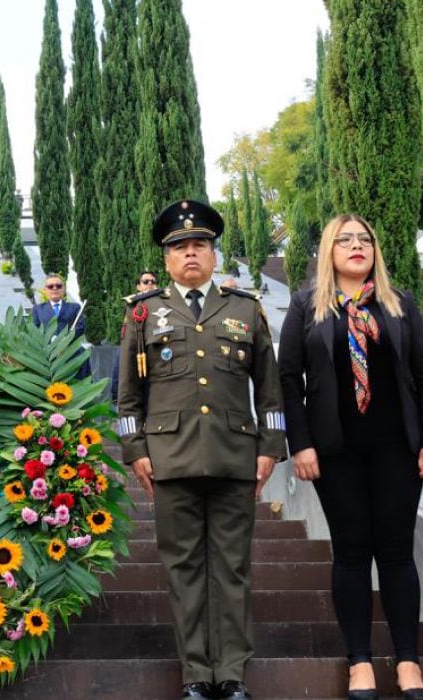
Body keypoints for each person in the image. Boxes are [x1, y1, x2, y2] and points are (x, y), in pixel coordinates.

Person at [117, 200, 286, 700]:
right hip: (170, 459)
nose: (191, 254)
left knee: (231, 568)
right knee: (184, 570)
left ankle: (230, 673)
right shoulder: (143, 313)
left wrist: (270, 446)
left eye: (200, 246)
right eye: (180, 247)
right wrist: (136, 448)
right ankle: (195, 674)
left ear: (213, 254)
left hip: (236, 456)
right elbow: (127, 396)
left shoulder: (245, 308)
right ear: (167, 259)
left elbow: (270, 390)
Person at [278, 214, 423, 700]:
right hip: (336, 453)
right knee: (351, 553)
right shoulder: (306, 306)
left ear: (375, 251)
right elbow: (288, 379)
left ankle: (409, 661)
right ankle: (359, 662)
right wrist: (301, 444)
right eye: (345, 240)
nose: (357, 246)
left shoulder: (399, 305)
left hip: (398, 449)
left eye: (365, 240)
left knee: (397, 553)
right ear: (329, 252)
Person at [31, 273, 91, 379]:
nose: (55, 288)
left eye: (58, 286)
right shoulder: (38, 309)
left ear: (63, 289)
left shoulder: (75, 307)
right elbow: (34, 330)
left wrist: (66, 339)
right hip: (48, 359)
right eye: (51, 286)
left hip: (72, 355)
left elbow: (80, 327)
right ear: (45, 290)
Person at [111, 271, 159, 401]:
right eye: (146, 282)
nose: (150, 284)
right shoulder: (133, 304)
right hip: (136, 344)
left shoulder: (163, 303)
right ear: (138, 286)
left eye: (153, 282)